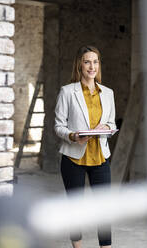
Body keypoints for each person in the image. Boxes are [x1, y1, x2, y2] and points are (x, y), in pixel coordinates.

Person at [54, 45, 116, 248]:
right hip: (74, 159)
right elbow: (58, 126)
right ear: (79, 65)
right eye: (87, 61)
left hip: (100, 158)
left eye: (95, 61)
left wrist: (106, 126)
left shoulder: (108, 93)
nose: (92, 66)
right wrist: (72, 135)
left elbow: (112, 123)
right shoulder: (67, 91)